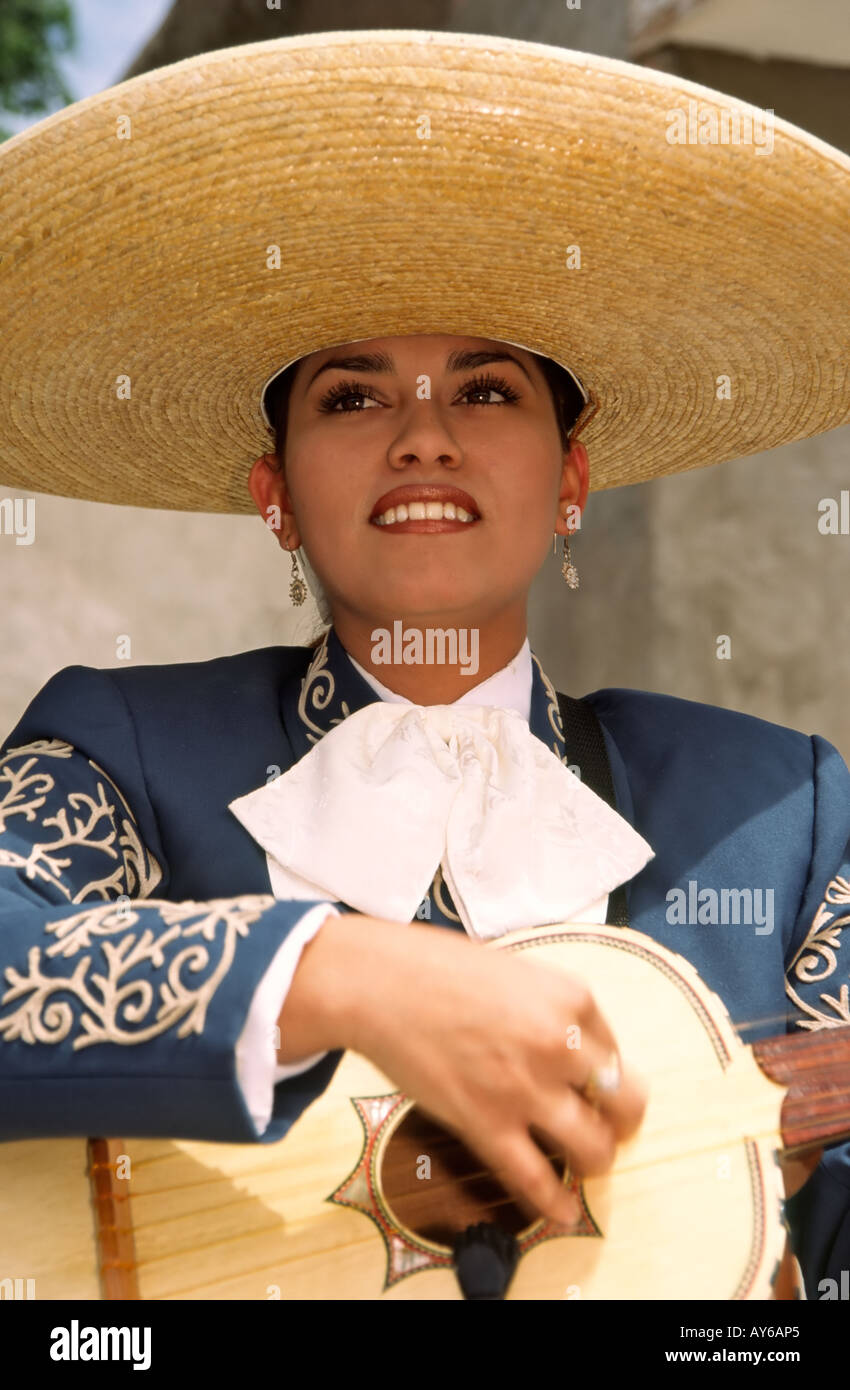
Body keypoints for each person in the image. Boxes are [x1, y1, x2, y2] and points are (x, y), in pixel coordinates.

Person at [1, 31, 848, 1301]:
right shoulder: (117, 745)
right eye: (352, 398)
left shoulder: (781, 815)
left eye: (487, 391)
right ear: (276, 495)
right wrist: (341, 973)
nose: (424, 438)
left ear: (570, 480)